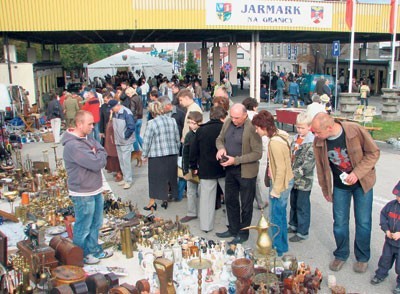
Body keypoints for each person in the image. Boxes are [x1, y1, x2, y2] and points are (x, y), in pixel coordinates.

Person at [312, 112, 380, 273]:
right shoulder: (319, 141)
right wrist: (325, 189)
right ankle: (341, 254)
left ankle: (362, 258)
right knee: (340, 223)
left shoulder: (354, 130)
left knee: (363, 222)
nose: (314, 135)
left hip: (362, 183)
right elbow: (321, 168)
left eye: (317, 132)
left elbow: (373, 153)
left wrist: (357, 173)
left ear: (329, 127)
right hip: (339, 186)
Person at [61, 110, 112, 265]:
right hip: (83, 192)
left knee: (96, 223)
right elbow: (96, 163)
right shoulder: (73, 146)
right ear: (79, 124)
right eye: (89, 124)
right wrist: (98, 154)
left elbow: (102, 150)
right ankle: (79, 256)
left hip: (95, 188)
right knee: (83, 226)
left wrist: (98, 153)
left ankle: (94, 250)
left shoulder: (87, 138)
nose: (92, 127)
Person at [215, 103, 262, 245]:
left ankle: (243, 233)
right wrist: (221, 149)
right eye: (232, 117)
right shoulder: (228, 122)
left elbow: (257, 154)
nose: (234, 120)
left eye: (237, 118)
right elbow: (219, 139)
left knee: (246, 204)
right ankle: (233, 229)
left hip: (246, 171)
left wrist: (236, 160)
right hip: (230, 169)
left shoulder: (252, 128)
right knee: (230, 200)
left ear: (245, 115)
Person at [252, 110, 294, 256]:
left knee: (275, 218)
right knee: (280, 216)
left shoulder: (275, 142)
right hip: (286, 181)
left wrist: (275, 190)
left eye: (257, 128)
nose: (256, 131)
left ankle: (277, 249)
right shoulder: (280, 134)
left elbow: (281, 168)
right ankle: (282, 246)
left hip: (280, 184)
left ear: (263, 127)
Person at [190, 106, 227, 233]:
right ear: (223, 117)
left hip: (206, 168)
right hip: (224, 167)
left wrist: (193, 166)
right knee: (229, 196)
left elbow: (193, 150)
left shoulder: (201, 130)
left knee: (206, 199)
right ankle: (230, 222)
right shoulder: (225, 129)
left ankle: (206, 226)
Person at [142, 101, 180, 211]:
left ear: (152, 112)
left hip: (157, 155)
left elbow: (147, 141)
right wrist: (176, 150)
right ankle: (165, 199)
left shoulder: (152, 123)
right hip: (172, 153)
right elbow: (177, 137)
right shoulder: (172, 121)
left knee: (155, 179)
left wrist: (144, 155)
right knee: (169, 177)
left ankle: (152, 202)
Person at [288, 112, 315, 242]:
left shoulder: (311, 142)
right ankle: (293, 224)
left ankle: (302, 231)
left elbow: (307, 165)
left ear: (309, 127)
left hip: (304, 180)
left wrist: (292, 174)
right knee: (293, 202)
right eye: (298, 127)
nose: (299, 130)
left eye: (302, 128)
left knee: (302, 206)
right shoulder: (295, 139)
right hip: (293, 179)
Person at [370, 181, 400, 294]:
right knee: (385, 259)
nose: (398, 198)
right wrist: (386, 229)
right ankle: (380, 274)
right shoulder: (391, 205)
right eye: (397, 195)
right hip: (389, 241)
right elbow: (383, 216)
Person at [242, 97, 268, 210]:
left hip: (244, 150)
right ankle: (260, 201)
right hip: (258, 149)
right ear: (253, 106)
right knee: (257, 177)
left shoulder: (242, 116)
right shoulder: (256, 117)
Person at [180, 111, 203, 223]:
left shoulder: (203, 133)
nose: (191, 125)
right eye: (189, 122)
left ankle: (204, 213)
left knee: (202, 191)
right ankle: (191, 212)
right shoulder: (189, 135)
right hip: (190, 167)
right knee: (191, 191)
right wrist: (185, 170)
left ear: (199, 122)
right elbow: (185, 153)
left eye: (193, 123)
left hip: (202, 168)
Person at [109, 99, 135, 190]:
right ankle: (125, 178)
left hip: (125, 141)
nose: (111, 110)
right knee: (121, 160)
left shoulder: (126, 113)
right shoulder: (116, 113)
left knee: (126, 161)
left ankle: (128, 180)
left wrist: (125, 136)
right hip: (118, 140)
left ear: (117, 105)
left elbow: (131, 127)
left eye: (112, 108)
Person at [101, 95, 122, 182]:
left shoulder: (118, 115)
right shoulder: (110, 114)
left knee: (116, 156)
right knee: (111, 155)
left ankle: (119, 172)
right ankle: (114, 169)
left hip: (115, 138)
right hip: (110, 137)